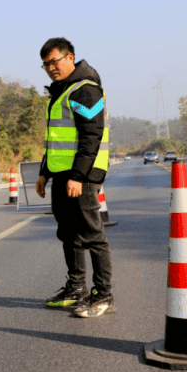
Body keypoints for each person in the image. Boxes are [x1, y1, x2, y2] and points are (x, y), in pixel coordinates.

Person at [34, 37, 115, 318]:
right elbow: (55, 138)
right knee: (68, 233)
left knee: (92, 234)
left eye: (55, 61)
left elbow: (91, 135)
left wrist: (79, 176)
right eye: (46, 64)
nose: (50, 68)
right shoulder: (61, 91)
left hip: (83, 175)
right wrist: (44, 172)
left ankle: (103, 294)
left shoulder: (85, 90)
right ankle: (76, 288)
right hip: (62, 173)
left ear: (71, 57)